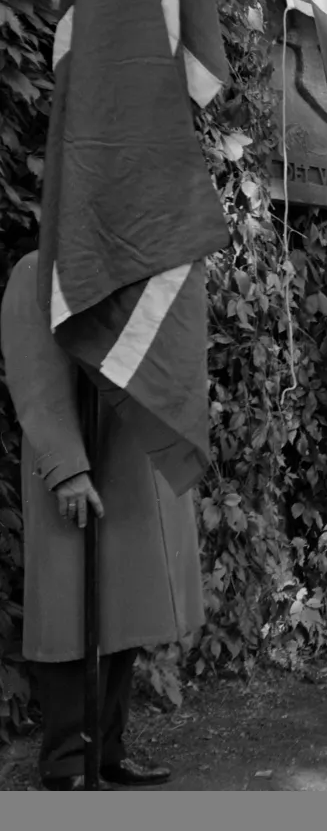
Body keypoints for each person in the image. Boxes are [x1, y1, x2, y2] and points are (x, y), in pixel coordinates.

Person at [0, 252, 201, 790]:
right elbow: (35, 376)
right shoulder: (38, 272)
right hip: (83, 462)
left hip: (133, 464)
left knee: (121, 613)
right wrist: (65, 467)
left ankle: (107, 750)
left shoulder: (132, 267)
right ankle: (68, 761)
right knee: (73, 613)